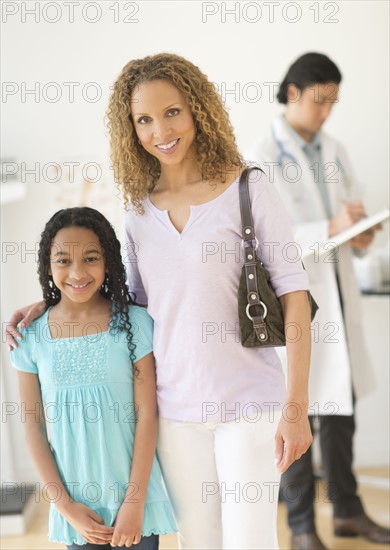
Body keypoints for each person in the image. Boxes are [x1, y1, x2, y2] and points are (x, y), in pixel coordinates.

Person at [7, 53, 313, 550]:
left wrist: (297, 406)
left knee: (250, 542)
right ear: (131, 129)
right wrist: (48, 304)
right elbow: (126, 301)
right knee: (199, 542)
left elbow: (294, 295)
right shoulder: (136, 209)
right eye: (143, 120)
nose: (160, 130)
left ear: (197, 109)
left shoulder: (247, 187)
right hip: (173, 410)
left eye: (171, 112)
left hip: (249, 404)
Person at [246, 52, 389, 550]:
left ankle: (348, 513)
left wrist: (360, 233)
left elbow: (348, 213)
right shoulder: (263, 155)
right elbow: (267, 238)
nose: (326, 111)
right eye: (318, 100)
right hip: (298, 298)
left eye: (333, 102)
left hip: (340, 290)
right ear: (291, 94)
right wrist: (328, 229)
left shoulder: (335, 148)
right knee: (299, 411)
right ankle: (303, 527)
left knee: (342, 412)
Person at [10, 207, 177, 550]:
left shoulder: (135, 323)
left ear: (109, 261)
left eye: (90, 258)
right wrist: (65, 506)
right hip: (78, 511)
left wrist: (134, 503)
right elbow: (32, 427)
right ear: (47, 266)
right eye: (63, 260)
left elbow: (147, 416)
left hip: (135, 507)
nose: (77, 272)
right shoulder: (30, 338)